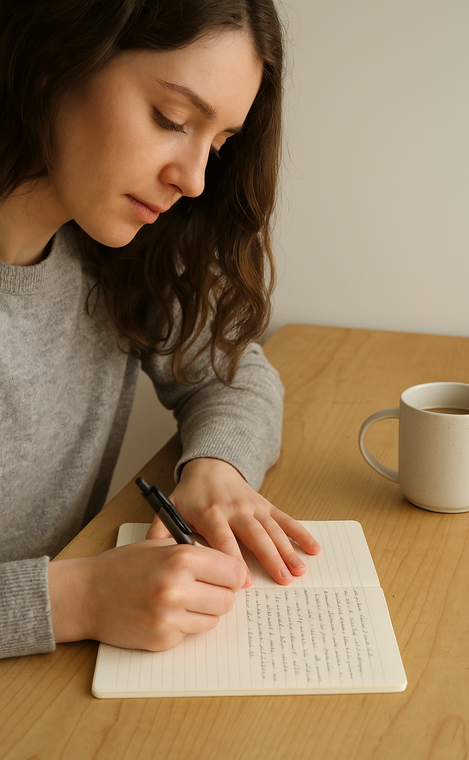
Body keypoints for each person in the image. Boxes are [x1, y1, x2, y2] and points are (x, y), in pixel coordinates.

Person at [0, 0, 320, 660]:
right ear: (52, 62)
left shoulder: (115, 255)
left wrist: (216, 469)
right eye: (171, 120)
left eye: (220, 144)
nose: (195, 179)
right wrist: (72, 599)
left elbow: (233, 376)